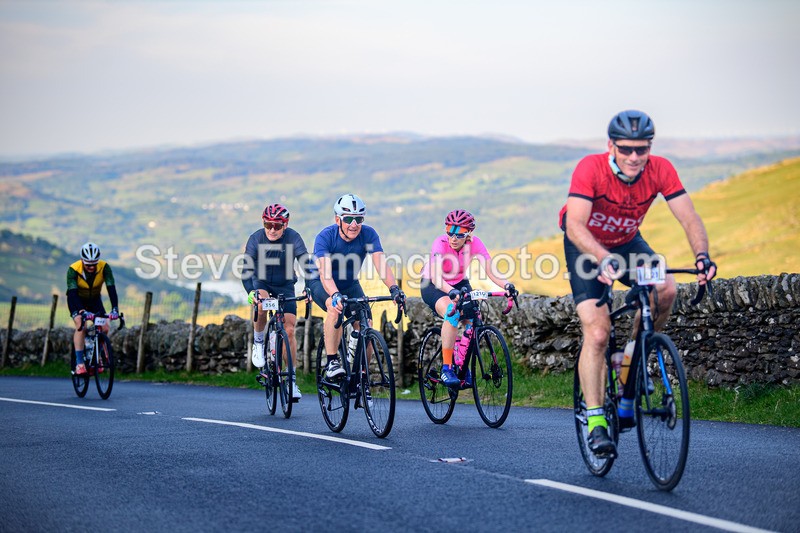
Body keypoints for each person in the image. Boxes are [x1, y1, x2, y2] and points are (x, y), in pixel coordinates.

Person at [559, 109, 717, 456]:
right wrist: (602, 257)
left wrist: (702, 256)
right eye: (626, 149)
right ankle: (597, 420)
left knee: (666, 288)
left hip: (629, 243)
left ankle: (629, 360)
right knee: (598, 333)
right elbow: (575, 225)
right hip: (586, 245)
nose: (634, 157)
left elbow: (688, 216)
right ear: (611, 146)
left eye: (641, 149)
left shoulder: (660, 168)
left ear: (649, 148)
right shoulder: (591, 168)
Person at [307, 193, 405, 380]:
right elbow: (325, 273)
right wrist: (335, 294)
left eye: (359, 219)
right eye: (349, 219)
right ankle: (332, 361)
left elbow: (381, 265)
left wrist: (394, 289)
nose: (354, 224)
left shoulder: (369, 234)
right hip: (320, 282)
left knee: (366, 324)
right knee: (334, 308)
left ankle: (362, 378)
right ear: (338, 220)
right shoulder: (325, 237)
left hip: (350, 283)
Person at [420, 209, 517, 386]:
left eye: (459, 234)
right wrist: (452, 292)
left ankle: (462, 364)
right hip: (434, 284)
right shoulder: (440, 243)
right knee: (453, 312)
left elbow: (490, 270)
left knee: (472, 319)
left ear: (469, 234)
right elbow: (436, 277)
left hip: (459, 282)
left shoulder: (476, 244)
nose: (453, 238)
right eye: (449, 231)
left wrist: (507, 286)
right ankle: (447, 368)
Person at [242, 203, 313, 400]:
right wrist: (251, 292)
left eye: (277, 226)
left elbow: (307, 265)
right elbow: (246, 272)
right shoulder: (256, 239)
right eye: (268, 225)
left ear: (286, 225)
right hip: (261, 281)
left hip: (285, 285)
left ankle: (290, 381)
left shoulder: (293, 237)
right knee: (262, 303)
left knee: (289, 330)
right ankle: (258, 341)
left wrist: (309, 287)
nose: (272, 229)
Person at [67, 242, 120, 375]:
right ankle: (79, 363)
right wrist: (82, 311)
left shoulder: (104, 267)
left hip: (94, 300)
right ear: (82, 260)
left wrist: (115, 309)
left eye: (94, 264)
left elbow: (111, 288)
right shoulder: (73, 269)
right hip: (76, 300)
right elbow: (72, 292)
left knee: (105, 327)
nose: (91, 267)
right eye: (88, 264)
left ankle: (98, 356)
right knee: (81, 325)